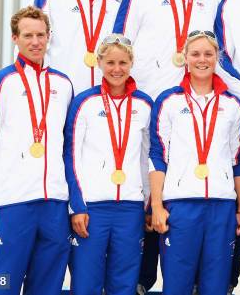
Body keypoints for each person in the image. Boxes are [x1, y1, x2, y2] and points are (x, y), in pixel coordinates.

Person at [113, 0, 218, 293]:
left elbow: (220, 60)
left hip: (192, 117)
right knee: (143, 198)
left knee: (181, 200)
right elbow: (117, 47)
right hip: (143, 113)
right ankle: (140, 282)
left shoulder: (210, 0)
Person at [0, 6, 74, 294]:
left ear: (49, 37)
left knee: (48, 286)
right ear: (15, 38)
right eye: (28, 35)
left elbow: (67, 144)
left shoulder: (63, 85)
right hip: (14, 203)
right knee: (3, 283)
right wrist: (2, 184)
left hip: (54, 202)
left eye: (41, 35)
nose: (36, 42)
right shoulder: (1, 82)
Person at [149, 30, 240, 295]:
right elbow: (158, 156)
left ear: (217, 57)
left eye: (208, 54)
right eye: (195, 54)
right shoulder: (168, 100)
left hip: (222, 205)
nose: (202, 59)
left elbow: (238, 160)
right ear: (185, 58)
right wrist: (157, 205)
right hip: (181, 205)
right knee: (177, 285)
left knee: (216, 286)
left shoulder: (233, 104)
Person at [63, 34, 153, 294]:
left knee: (123, 284)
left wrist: (147, 204)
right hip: (92, 208)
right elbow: (71, 156)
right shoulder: (84, 102)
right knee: (85, 283)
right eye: (111, 62)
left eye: (123, 62)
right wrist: (77, 206)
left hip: (130, 208)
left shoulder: (144, 104)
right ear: (99, 62)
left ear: (131, 63)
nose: (117, 69)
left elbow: (147, 158)